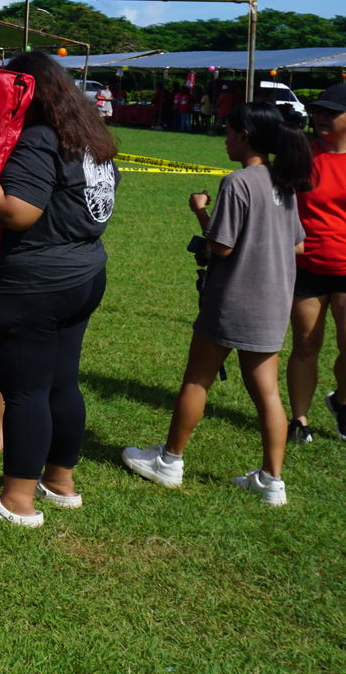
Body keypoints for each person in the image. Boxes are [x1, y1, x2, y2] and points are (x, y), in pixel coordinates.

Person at [0, 50, 118, 527]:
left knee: (25, 390)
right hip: (84, 273)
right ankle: (59, 483)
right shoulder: (88, 138)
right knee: (62, 380)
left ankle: (17, 502)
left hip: (35, 283)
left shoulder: (40, 139)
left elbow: (15, 210)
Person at [122, 101, 308, 506]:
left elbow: (220, 247)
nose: (225, 138)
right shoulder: (284, 182)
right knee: (269, 394)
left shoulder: (238, 182)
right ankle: (272, 481)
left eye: (228, 131)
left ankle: (169, 462)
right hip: (275, 301)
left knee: (197, 378)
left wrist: (200, 212)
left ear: (244, 135)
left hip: (234, 300)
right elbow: (298, 244)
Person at [284, 81, 346, 443]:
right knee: (306, 345)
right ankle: (300, 420)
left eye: (331, 112)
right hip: (305, 267)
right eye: (318, 110)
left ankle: (340, 400)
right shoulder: (301, 154)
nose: (321, 117)